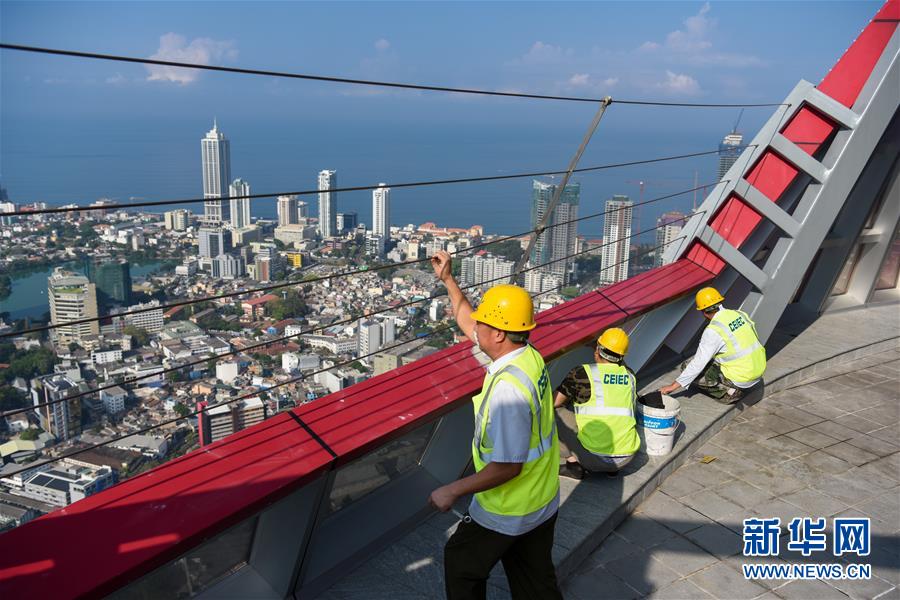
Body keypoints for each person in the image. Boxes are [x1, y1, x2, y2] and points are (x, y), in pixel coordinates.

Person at [428, 250, 562, 600]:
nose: (476, 327)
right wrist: (448, 280)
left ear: (500, 334)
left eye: (484, 323)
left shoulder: (508, 392)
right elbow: (468, 321)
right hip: (542, 498)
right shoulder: (528, 355)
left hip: (508, 508)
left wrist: (452, 490)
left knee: (461, 564)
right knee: (535, 583)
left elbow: (508, 467)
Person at [554, 328, 640, 480]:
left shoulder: (582, 373)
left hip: (595, 458)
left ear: (598, 349)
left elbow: (554, 402)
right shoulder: (630, 375)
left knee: (556, 411)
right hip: (626, 458)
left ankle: (573, 464)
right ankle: (611, 471)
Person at [659, 287, 766, 403]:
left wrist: (672, 387)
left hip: (742, 378)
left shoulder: (713, 331)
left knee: (687, 366)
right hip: (758, 368)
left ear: (703, 312)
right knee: (714, 357)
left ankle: (729, 392)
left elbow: (698, 363)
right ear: (720, 302)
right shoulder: (740, 314)